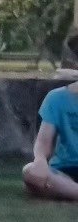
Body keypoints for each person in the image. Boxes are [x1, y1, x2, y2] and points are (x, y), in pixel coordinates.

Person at [22, 35, 78, 202]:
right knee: (30, 171)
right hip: (63, 171)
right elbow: (43, 142)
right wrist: (40, 161)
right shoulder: (56, 98)